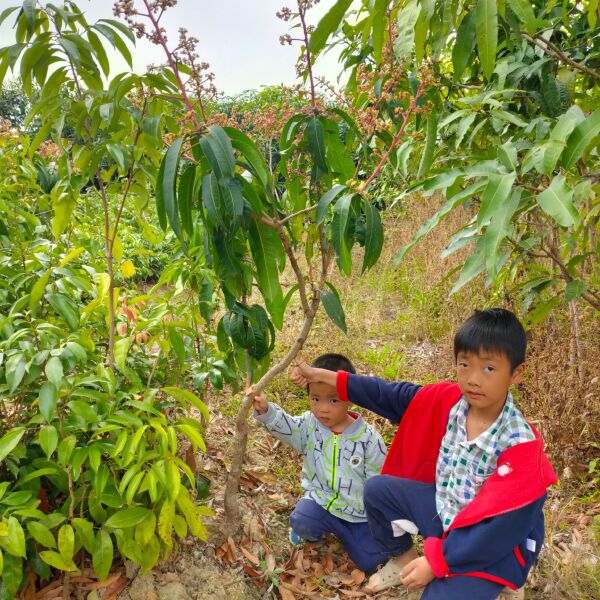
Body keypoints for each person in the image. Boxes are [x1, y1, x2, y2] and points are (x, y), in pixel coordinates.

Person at [291, 309, 557, 600]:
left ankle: (501, 584)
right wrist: (325, 377)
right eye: (464, 365)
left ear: (516, 373)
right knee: (378, 491)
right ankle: (404, 562)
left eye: (489, 369)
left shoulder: (520, 447)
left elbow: (499, 531)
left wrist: (436, 561)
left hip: (491, 547)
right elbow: (389, 394)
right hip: (447, 512)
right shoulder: (451, 403)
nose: (473, 379)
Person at [251, 353, 388, 573]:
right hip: (321, 502)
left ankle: (350, 535)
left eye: (333, 400)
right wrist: (266, 410)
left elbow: (379, 482)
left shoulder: (368, 439)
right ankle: (317, 530)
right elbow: (287, 428)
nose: (323, 408)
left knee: (372, 561)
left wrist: (382, 518)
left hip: (358, 514)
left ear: (350, 397)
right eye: (316, 399)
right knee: (301, 520)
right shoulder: (309, 425)